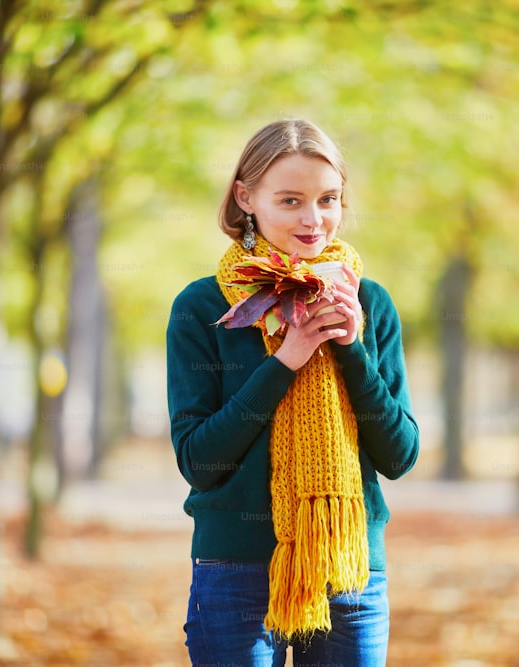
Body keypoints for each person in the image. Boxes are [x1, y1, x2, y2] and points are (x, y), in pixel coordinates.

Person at [167, 118, 419, 666]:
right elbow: (199, 461)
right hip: (234, 575)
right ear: (246, 197)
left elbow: (399, 455)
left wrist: (351, 348)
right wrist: (285, 361)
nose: (314, 219)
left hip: (348, 574)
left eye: (329, 199)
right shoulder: (204, 308)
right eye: (290, 200)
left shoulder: (369, 303)